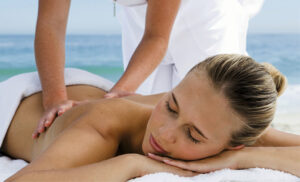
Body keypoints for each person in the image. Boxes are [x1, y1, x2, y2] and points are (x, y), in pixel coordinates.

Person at [2, 54, 300, 181]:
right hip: (15, 103)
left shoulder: (218, 118)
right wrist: (132, 164)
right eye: (170, 105)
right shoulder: (105, 128)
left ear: (231, 145)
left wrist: (239, 160)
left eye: (193, 136)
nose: (164, 132)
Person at [33, 0, 264, 137]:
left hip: (202, 13)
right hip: (138, 17)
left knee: (215, 119)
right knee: (147, 126)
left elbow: (157, 37)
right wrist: (54, 99)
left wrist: (114, 96)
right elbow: (50, 24)